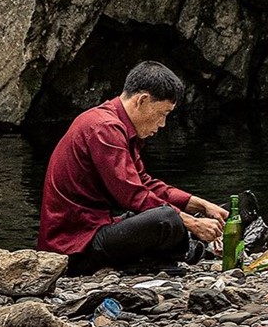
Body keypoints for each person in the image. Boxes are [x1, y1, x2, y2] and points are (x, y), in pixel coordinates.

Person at [37, 61, 231, 274]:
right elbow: (132, 196)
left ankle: (178, 249)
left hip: (94, 231)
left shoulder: (118, 125)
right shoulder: (105, 128)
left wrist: (199, 204)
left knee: (166, 217)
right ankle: (180, 249)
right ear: (142, 100)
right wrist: (192, 223)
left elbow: (144, 182)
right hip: (73, 249)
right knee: (166, 219)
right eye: (162, 114)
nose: (162, 124)